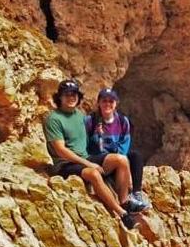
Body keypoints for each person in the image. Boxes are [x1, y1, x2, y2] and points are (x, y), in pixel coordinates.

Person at [43, 79, 138, 230]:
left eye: (74, 94)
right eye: (67, 94)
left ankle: (124, 202)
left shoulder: (80, 116)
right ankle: (122, 214)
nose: (71, 97)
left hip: (85, 157)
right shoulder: (53, 119)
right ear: (59, 97)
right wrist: (88, 163)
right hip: (65, 164)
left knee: (121, 159)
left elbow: (90, 140)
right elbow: (61, 150)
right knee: (93, 173)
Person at [85, 88, 151, 212]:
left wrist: (122, 163)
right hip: (97, 156)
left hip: (116, 155)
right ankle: (124, 201)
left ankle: (136, 193)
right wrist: (98, 136)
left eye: (111, 101)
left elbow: (124, 145)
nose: (107, 104)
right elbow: (87, 144)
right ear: (98, 102)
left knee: (135, 156)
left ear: (116, 103)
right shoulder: (90, 121)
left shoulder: (122, 121)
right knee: (120, 160)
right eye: (104, 101)